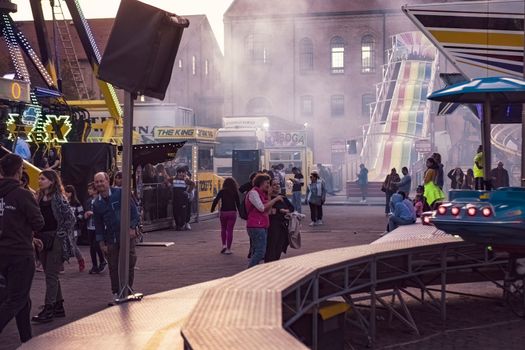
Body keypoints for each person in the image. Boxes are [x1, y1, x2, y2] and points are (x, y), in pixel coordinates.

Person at [0, 154, 44, 343]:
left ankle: (27, 339)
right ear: (19, 170)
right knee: (16, 299)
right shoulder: (23, 194)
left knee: (22, 298)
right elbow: (38, 222)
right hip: (20, 253)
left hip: (3, 252)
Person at [32, 170, 76, 323]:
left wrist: (61, 234)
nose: (40, 180)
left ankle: (48, 308)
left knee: (51, 274)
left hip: (55, 238)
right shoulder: (38, 196)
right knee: (49, 273)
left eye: (43, 178)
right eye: (39, 178)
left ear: (51, 181)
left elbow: (70, 218)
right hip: (42, 238)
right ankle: (58, 306)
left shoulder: (58, 198)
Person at [93, 172, 139, 301]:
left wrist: (132, 227)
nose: (99, 184)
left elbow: (134, 211)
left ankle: (128, 289)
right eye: (97, 182)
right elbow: (98, 224)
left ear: (107, 181)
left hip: (126, 235)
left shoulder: (120, 193)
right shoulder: (97, 204)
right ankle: (116, 291)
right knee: (113, 265)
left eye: (101, 181)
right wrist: (101, 243)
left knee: (129, 261)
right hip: (111, 237)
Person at [245, 174, 283, 268]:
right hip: (256, 226)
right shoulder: (253, 193)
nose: (268, 185)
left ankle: (253, 271)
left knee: (256, 251)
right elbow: (262, 208)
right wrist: (275, 200)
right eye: (267, 183)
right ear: (261, 183)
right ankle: (248, 272)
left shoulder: (262, 194)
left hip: (262, 225)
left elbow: (268, 210)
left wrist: (269, 196)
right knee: (260, 252)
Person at [265, 179, 294, 262]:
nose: (277, 186)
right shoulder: (268, 197)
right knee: (272, 245)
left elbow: (291, 207)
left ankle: (275, 261)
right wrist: (279, 210)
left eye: (278, 184)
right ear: (270, 187)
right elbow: (269, 210)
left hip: (283, 225)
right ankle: (269, 264)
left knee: (280, 245)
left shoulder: (282, 197)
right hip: (273, 225)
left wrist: (287, 211)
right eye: (274, 185)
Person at [211, 177, 240, 255]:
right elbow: (238, 203)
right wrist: (241, 212)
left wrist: (212, 209)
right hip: (232, 212)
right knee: (230, 230)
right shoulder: (234, 191)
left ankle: (223, 245)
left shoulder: (222, 191)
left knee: (223, 229)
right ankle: (228, 249)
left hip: (223, 212)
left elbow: (216, 200)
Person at [83, 182, 106, 274]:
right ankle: (94, 265)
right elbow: (85, 211)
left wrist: (92, 213)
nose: (89, 191)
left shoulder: (101, 200)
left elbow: (103, 212)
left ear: (95, 190)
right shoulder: (88, 201)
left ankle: (102, 260)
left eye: (90, 189)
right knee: (91, 247)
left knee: (96, 245)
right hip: (90, 226)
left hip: (98, 226)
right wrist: (85, 215)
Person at [64, 185, 86, 272]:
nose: (66, 193)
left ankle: (81, 260)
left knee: (73, 245)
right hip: (65, 227)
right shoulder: (64, 202)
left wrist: (76, 219)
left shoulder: (77, 203)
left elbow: (81, 213)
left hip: (74, 228)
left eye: (67, 192)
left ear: (71, 193)